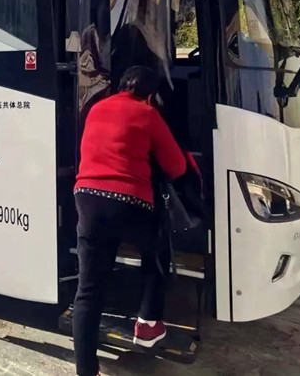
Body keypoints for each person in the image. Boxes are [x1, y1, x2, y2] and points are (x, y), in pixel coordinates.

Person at [72, 65, 194, 376]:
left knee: (89, 289)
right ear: (150, 95)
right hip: (129, 201)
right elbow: (177, 167)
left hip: (87, 198)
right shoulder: (147, 114)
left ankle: (86, 370)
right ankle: (148, 325)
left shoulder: (96, 109)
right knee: (157, 253)